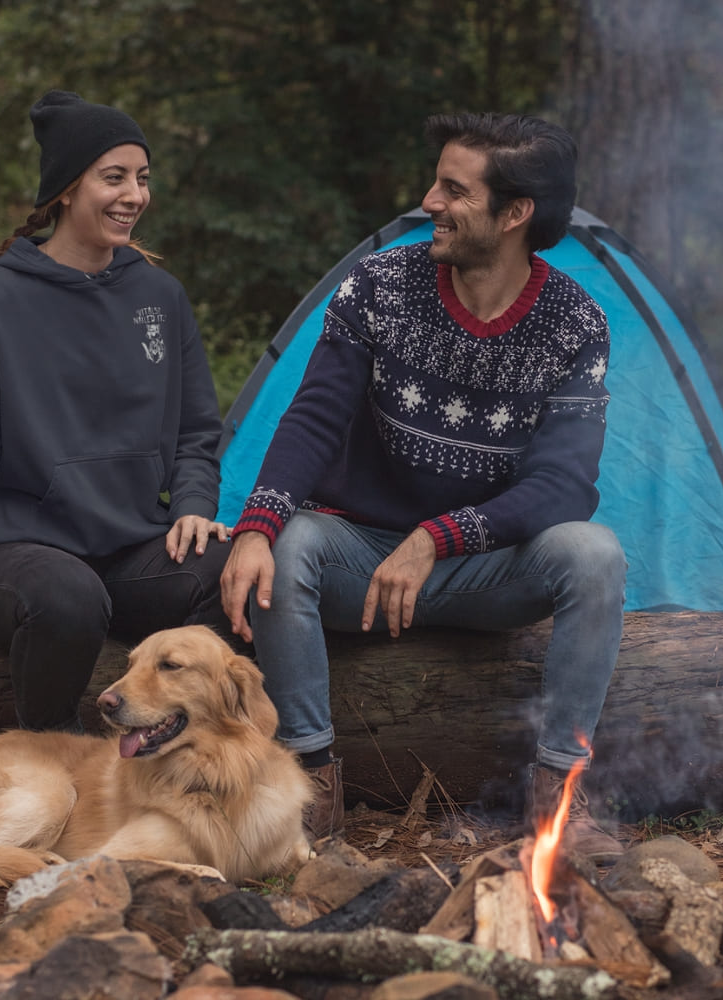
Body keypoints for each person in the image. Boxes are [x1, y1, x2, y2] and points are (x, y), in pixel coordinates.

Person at [221, 112, 627, 861]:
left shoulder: (576, 322)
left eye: (452, 189)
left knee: (593, 553)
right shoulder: (379, 285)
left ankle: (558, 799)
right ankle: (309, 789)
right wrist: (255, 525)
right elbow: (312, 419)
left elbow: (564, 486)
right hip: (366, 565)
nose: (427, 202)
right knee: (294, 541)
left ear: (514, 215)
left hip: (483, 570)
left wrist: (440, 537)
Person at [0, 90, 233, 733]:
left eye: (142, 179)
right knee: (68, 595)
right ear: (66, 188)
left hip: (131, 552)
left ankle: (202, 754)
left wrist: (195, 503)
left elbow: (199, 429)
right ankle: (51, 759)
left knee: (233, 564)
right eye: (112, 177)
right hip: (19, 555)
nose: (134, 196)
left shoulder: (159, 296)